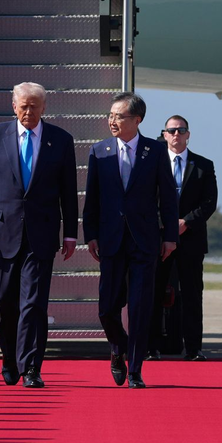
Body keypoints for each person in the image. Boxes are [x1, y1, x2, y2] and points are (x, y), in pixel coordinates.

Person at [0, 82, 78, 388]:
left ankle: (31, 366)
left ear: (44, 108)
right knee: (4, 304)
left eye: (35, 106)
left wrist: (70, 233)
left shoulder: (60, 140)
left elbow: (68, 192)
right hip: (0, 232)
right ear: (13, 106)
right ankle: (9, 357)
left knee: (34, 303)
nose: (29, 111)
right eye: (24, 105)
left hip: (42, 233)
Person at [84, 92, 179, 388]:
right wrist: (91, 235)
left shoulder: (155, 150)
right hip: (111, 239)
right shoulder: (99, 151)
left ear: (137, 120)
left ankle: (136, 369)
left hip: (145, 240)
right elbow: (93, 199)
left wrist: (170, 237)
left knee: (139, 306)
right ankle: (119, 347)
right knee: (106, 308)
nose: (112, 121)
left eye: (119, 116)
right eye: (110, 115)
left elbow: (168, 197)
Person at [148, 115, 216, 361]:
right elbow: (146, 199)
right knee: (154, 292)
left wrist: (186, 222)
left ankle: (194, 348)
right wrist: (165, 225)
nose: (176, 134)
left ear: (188, 135)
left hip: (191, 239)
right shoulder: (153, 163)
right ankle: (151, 347)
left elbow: (209, 203)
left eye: (181, 130)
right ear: (164, 134)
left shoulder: (203, 166)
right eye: (171, 130)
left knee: (192, 293)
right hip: (158, 238)